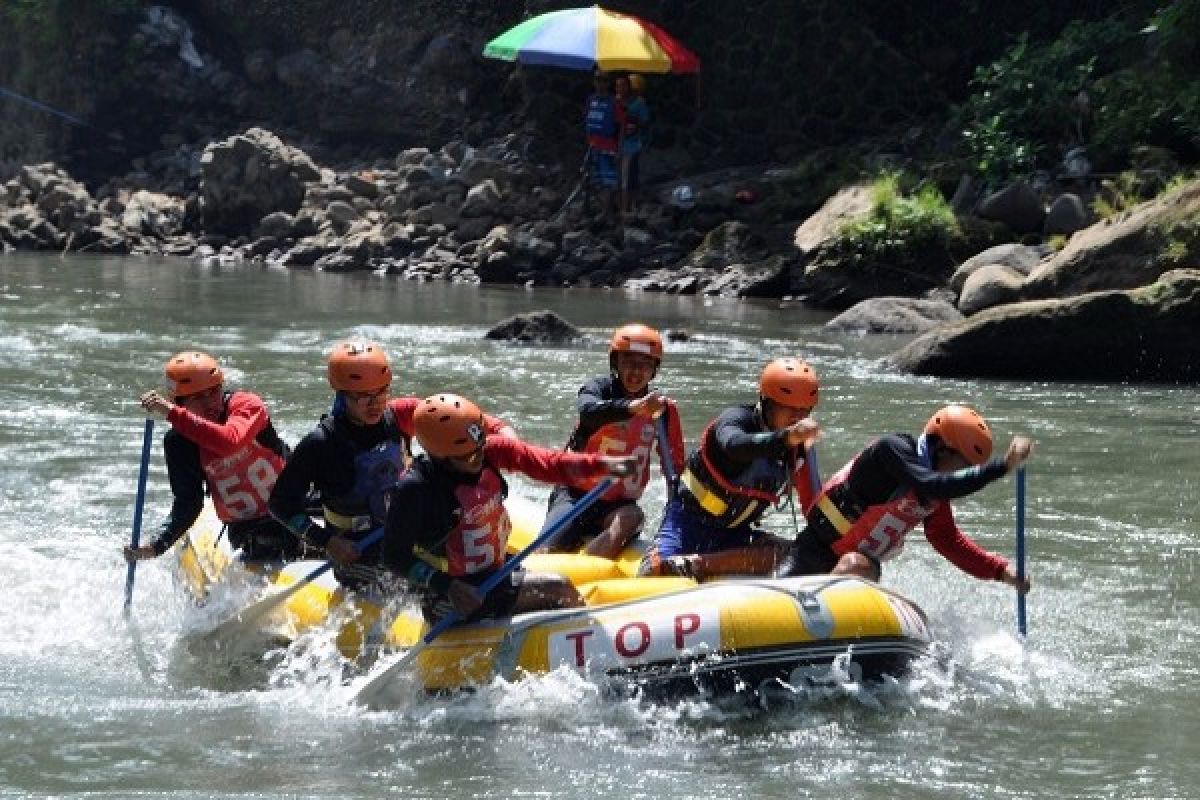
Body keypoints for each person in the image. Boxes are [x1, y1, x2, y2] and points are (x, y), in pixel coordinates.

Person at [268, 339, 514, 590]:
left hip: (408, 535)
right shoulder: (320, 443)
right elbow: (279, 504)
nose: (376, 403)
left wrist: (501, 431)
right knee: (434, 582)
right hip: (358, 550)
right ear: (342, 393)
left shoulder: (399, 414)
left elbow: (456, 419)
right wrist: (327, 541)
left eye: (382, 391)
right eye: (364, 396)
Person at [382, 393, 636, 623]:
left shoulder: (486, 452)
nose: (481, 458)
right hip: (453, 595)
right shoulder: (415, 489)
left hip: (496, 570)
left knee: (557, 583)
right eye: (470, 457)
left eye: (481, 448)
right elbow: (394, 556)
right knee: (559, 587)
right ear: (440, 456)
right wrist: (447, 586)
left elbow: (549, 464)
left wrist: (603, 466)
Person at [773, 404, 1034, 595]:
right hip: (812, 549)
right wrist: (1001, 468)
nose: (960, 475)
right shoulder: (891, 451)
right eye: (961, 466)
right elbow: (932, 483)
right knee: (776, 593)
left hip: (860, 567)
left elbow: (949, 541)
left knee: (854, 565)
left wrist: (1001, 571)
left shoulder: (932, 496)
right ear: (941, 448)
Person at [639, 358, 822, 579]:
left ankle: (698, 565)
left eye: (805, 410)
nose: (798, 418)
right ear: (767, 401)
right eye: (789, 408)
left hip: (736, 534)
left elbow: (814, 503)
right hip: (688, 523)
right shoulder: (735, 420)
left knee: (794, 554)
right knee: (653, 571)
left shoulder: (799, 447)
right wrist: (785, 438)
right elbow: (734, 446)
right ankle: (678, 564)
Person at [122, 351, 301, 564]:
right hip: (250, 528)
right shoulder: (179, 443)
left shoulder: (246, 405)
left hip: (296, 504)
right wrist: (157, 545)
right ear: (179, 403)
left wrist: (172, 414)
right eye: (197, 397)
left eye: (213, 391)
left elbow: (229, 442)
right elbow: (188, 504)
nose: (210, 403)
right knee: (269, 543)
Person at [543, 323, 685, 559]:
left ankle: (586, 566)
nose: (636, 371)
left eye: (645, 364)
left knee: (633, 517)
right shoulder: (598, 390)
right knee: (545, 550)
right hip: (574, 495)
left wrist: (678, 520)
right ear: (615, 363)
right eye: (628, 361)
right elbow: (588, 411)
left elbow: (675, 468)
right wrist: (632, 408)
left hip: (618, 506)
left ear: (654, 370)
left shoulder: (664, 411)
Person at [582, 70, 619, 220]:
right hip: (593, 145)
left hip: (608, 146)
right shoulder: (591, 100)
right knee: (591, 178)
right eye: (597, 80)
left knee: (608, 179)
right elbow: (586, 119)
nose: (600, 83)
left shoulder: (613, 102)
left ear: (608, 84)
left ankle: (606, 212)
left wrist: (618, 148)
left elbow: (620, 125)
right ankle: (592, 209)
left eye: (603, 80)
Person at [615, 73, 650, 215]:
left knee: (627, 177)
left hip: (631, 144)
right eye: (617, 86)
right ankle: (625, 206)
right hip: (619, 144)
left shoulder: (639, 103)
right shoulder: (615, 101)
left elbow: (644, 122)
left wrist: (632, 123)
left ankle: (626, 208)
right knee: (621, 177)